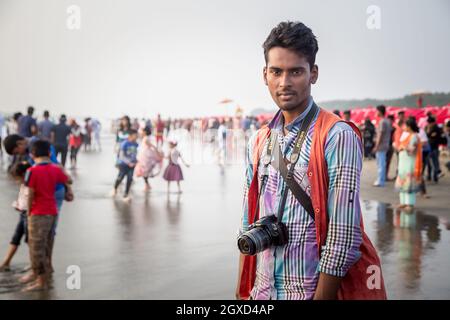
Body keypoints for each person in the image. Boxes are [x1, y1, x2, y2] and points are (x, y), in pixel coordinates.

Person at [236, 21, 385, 300]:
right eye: (276, 72)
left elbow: (343, 238)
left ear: (313, 73)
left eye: (296, 72)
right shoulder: (258, 140)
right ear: (264, 74)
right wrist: (242, 292)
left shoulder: (336, 136)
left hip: (308, 291)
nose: (284, 82)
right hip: (262, 291)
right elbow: (247, 221)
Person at [20, 140, 72, 291]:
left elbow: (30, 194)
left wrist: (28, 212)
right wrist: (61, 169)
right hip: (52, 211)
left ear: (32, 154)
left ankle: (40, 281)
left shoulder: (32, 171)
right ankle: (46, 272)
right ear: (50, 153)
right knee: (47, 243)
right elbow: (68, 180)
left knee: (36, 248)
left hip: (38, 213)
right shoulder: (56, 170)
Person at [0, 161, 31, 272]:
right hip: (22, 214)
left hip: (29, 216)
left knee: (30, 241)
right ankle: (6, 262)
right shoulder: (24, 185)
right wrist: (18, 204)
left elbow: (31, 201)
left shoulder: (31, 186)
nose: (16, 181)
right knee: (15, 238)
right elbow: (22, 200)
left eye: (17, 178)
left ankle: (34, 263)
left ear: (23, 175)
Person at [395, 117, 422, 211]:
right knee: (403, 180)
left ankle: (410, 203)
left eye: (405, 125)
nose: (403, 127)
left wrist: (403, 147)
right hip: (403, 162)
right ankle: (403, 202)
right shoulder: (407, 135)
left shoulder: (414, 136)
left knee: (409, 182)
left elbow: (412, 149)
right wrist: (401, 147)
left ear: (409, 126)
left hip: (409, 161)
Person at [112, 129, 139, 202]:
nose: (137, 136)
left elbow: (137, 154)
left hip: (132, 164)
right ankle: (115, 189)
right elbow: (121, 156)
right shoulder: (124, 143)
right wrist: (128, 162)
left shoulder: (136, 144)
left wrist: (136, 161)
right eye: (135, 135)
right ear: (130, 136)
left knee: (130, 179)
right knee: (120, 177)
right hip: (123, 164)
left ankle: (126, 194)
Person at [135, 127, 163, 191]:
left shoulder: (146, 138)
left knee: (143, 171)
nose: (141, 132)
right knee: (144, 171)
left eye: (142, 131)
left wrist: (158, 153)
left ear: (145, 132)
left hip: (146, 157)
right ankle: (147, 185)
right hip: (144, 156)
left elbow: (152, 146)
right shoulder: (145, 138)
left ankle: (147, 185)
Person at [372, 105, 392, 187]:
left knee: (380, 164)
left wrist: (376, 146)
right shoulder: (387, 121)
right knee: (382, 163)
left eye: (376, 111)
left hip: (381, 146)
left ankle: (380, 181)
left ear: (379, 111)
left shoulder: (382, 122)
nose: (376, 113)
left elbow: (380, 135)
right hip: (385, 145)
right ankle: (381, 180)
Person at [425, 116, 444, 182]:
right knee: (430, 163)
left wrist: (428, 132)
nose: (428, 124)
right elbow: (428, 136)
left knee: (434, 162)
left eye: (429, 123)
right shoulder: (429, 127)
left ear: (432, 122)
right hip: (430, 147)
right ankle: (430, 176)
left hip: (434, 148)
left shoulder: (436, 128)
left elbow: (429, 135)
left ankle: (435, 176)